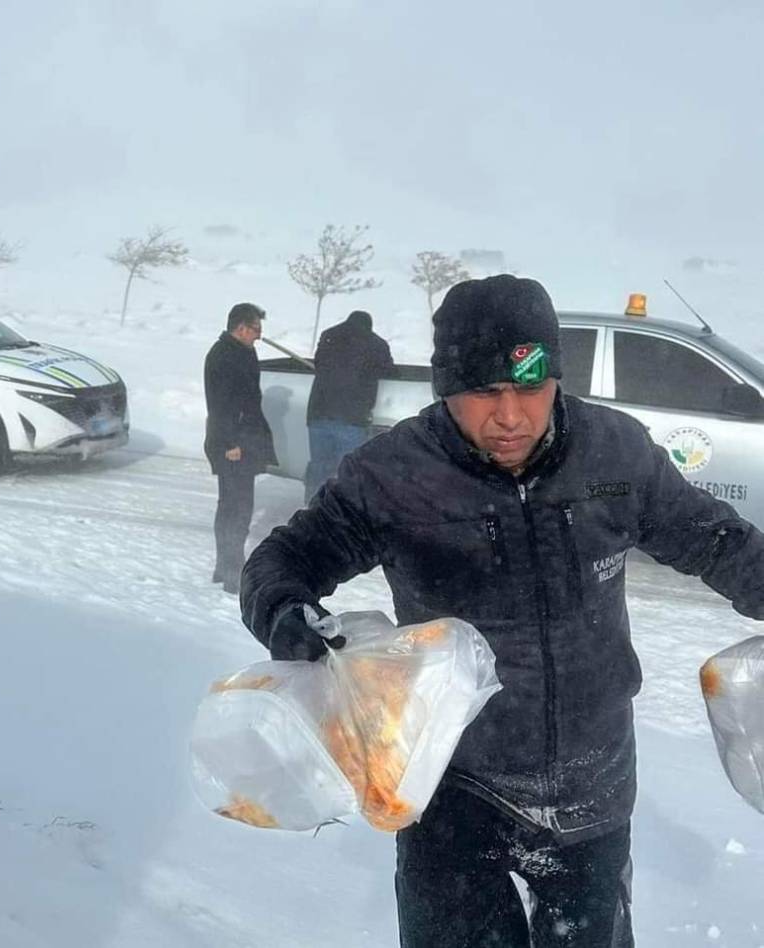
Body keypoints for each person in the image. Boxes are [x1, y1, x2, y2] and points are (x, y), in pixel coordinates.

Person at [239, 274, 764, 947]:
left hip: (593, 783)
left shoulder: (617, 454)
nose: (511, 415)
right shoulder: (395, 475)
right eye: (485, 392)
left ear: (555, 379)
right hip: (452, 784)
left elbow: (718, 542)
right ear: (447, 389)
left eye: (530, 387)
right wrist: (287, 615)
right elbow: (280, 562)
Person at [204, 302, 277, 595]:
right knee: (237, 506)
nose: (259, 336)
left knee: (234, 505)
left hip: (244, 439)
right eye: (256, 329)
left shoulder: (242, 352)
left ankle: (226, 565)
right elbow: (220, 405)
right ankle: (233, 571)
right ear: (242, 327)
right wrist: (229, 443)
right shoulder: (223, 356)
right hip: (233, 443)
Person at [304, 309, 393, 500]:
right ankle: (339, 516)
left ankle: (312, 510)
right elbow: (389, 370)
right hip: (352, 418)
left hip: (319, 414)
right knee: (347, 472)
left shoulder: (328, 335)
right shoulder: (376, 344)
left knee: (319, 466)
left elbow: (319, 363)